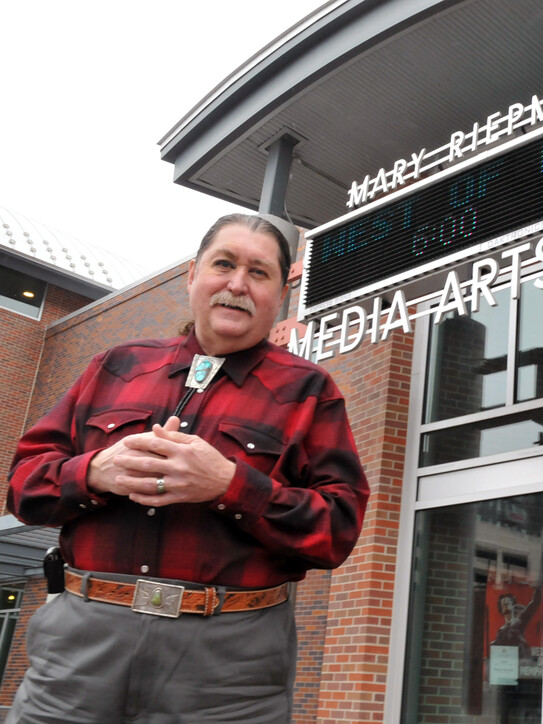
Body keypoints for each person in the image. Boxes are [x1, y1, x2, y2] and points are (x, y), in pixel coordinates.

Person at [5, 213, 369, 723]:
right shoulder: (115, 365)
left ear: (279, 295)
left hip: (229, 668)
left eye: (259, 273)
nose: (237, 284)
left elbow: (339, 529)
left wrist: (231, 486)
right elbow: (22, 484)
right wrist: (93, 472)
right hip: (81, 647)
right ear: (193, 274)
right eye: (224, 264)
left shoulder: (310, 391)